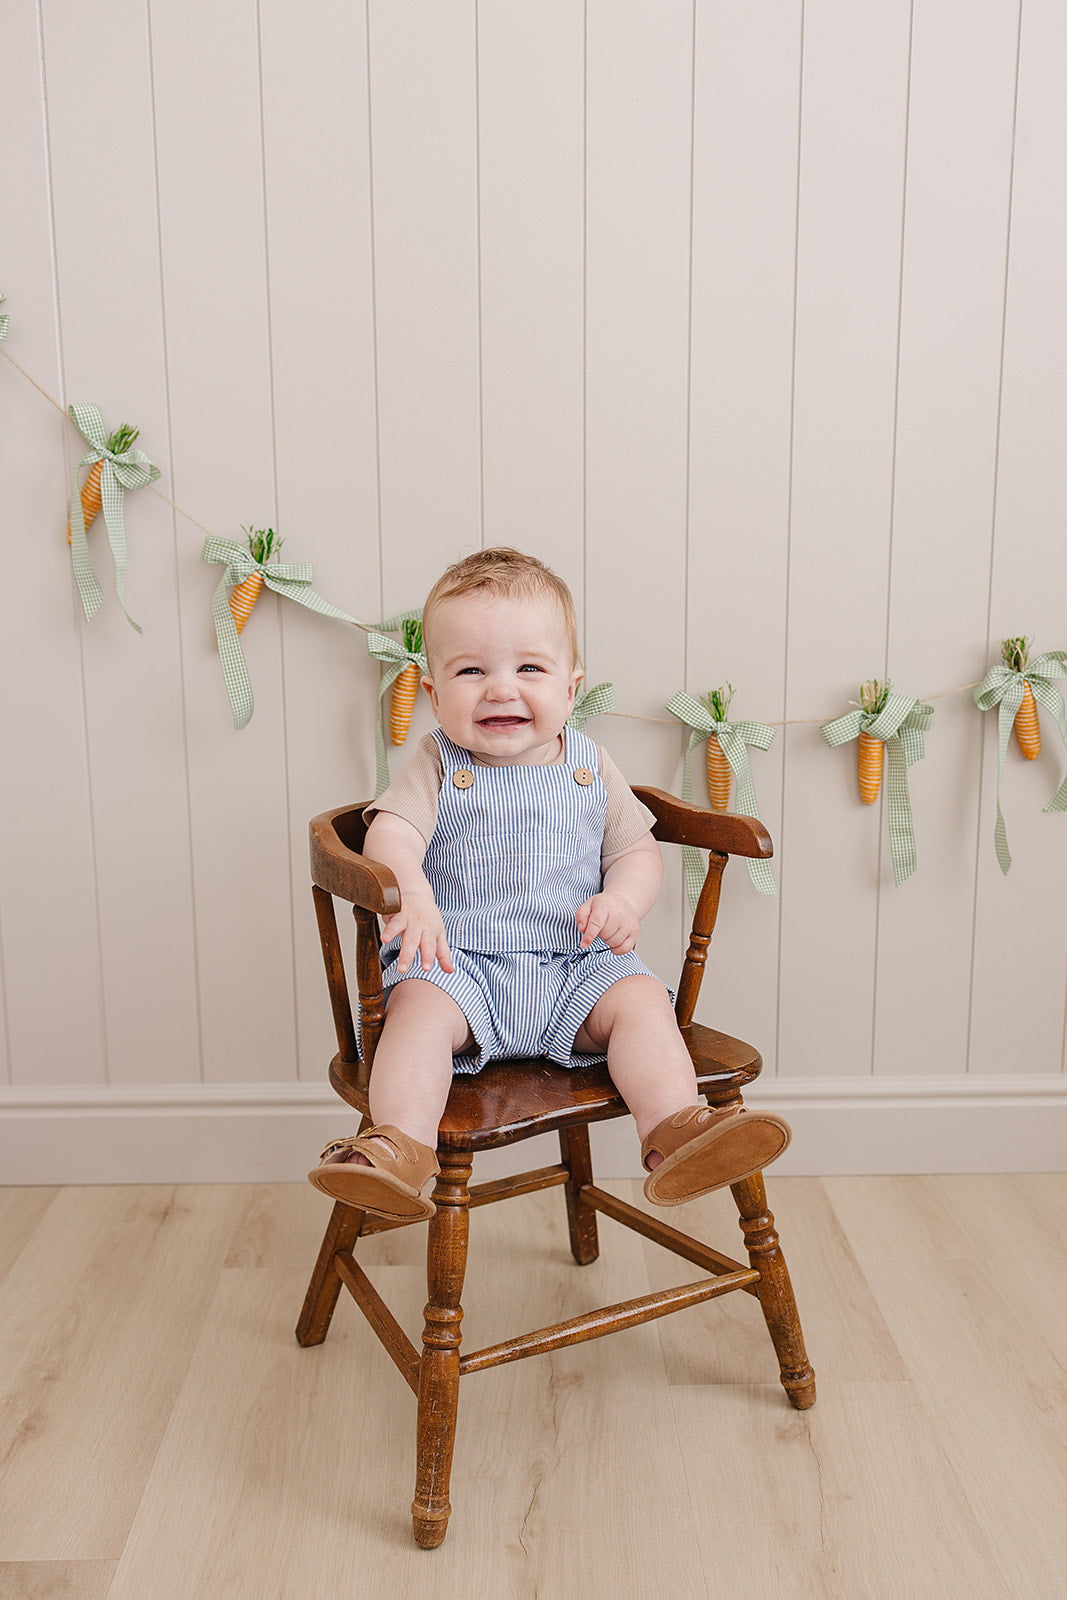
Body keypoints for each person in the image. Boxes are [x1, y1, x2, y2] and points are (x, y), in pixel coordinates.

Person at [308, 548, 790, 1218]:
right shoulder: (437, 763)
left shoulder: (592, 764)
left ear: (571, 687)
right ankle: (398, 1149)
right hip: (460, 971)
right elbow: (393, 834)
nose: (501, 689)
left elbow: (636, 851)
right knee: (413, 1021)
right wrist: (412, 896)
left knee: (642, 1004)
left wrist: (623, 899)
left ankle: (673, 1130)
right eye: (470, 670)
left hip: (574, 968)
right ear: (432, 692)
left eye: (529, 668)